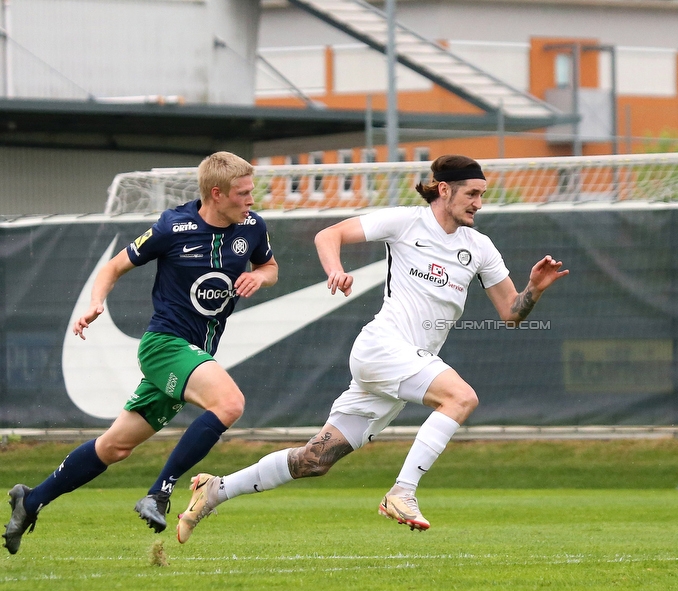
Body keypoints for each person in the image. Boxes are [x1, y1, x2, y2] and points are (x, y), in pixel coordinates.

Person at [173, 154, 568, 543]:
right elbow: (328, 235)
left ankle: (216, 490)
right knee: (461, 398)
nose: (479, 203)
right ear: (444, 190)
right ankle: (402, 492)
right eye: (472, 194)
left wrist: (533, 289)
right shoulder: (405, 222)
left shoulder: (480, 247)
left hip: (402, 365)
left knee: (315, 459)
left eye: (482, 195)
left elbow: (510, 313)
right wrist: (335, 270)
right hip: (383, 347)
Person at [2, 151, 279, 554]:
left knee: (115, 446)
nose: (251, 199)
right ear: (216, 194)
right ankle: (160, 493)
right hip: (164, 346)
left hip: (193, 353)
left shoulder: (252, 227)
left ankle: (30, 500)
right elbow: (112, 268)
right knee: (230, 403)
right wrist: (96, 303)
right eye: (243, 193)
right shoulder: (173, 226)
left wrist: (258, 276)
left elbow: (270, 268)